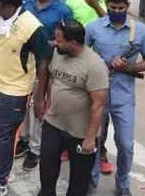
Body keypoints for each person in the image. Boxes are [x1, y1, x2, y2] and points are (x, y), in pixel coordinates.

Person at [0, 0, 51, 196]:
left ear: (9, 4)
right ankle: (0, 171)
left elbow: (44, 62)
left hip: (15, 91)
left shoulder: (32, 27)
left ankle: (0, 183)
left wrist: (39, 97)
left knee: (4, 135)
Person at [86, 0, 145, 195]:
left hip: (123, 97)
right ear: (106, 5)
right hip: (97, 95)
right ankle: (91, 181)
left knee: (125, 144)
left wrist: (130, 68)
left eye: (121, 7)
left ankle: (123, 184)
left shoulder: (140, 31)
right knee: (94, 141)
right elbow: (81, 55)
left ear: (128, 6)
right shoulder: (93, 28)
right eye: (112, 7)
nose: (117, 10)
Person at [38, 20, 109, 196]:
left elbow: (98, 105)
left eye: (59, 40)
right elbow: (52, 78)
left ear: (73, 42)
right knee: (46, 171)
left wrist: (91, 138)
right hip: (53, 123)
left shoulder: (95, 65)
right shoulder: (57, 53)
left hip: (80, 133)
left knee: (78, 183)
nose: (55, 43)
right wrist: (46, 102)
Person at [18, 0, 74, 170]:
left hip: (48, 66)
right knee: (23, 102)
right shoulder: (26, 2)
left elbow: (68, 41)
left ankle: (35, 148)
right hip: (25, 63)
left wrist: (52, 43)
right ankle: (23, 139)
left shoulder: (63, 11)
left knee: (40, 106)